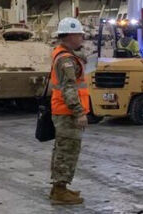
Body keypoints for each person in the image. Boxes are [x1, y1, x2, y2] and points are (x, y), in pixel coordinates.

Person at [49, 17, 90, 205]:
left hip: (63, 111)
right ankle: (59, 191)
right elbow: (69, 89)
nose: (82, 37)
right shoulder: (66, 59)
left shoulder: (64, 55)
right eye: (79, 34)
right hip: (67, 112)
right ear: (70, 36)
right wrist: (79, 112)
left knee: (63, 149)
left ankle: (60, 187)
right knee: (67, 151)